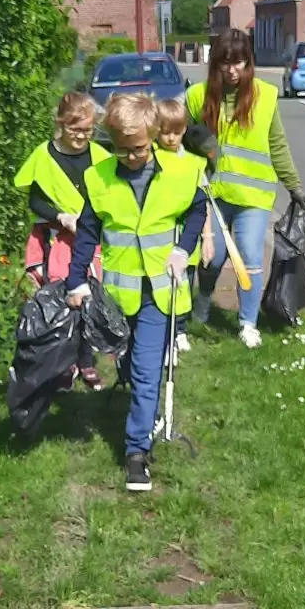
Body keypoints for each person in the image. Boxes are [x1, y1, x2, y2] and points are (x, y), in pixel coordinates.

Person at [66, 92, 206, 492]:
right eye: (123, 150)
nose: (131, 158)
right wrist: (76, 280)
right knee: (125, 365)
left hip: (159, 293)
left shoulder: (181, 173)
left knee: (147, 373)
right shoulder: (99, 178)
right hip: (119, 295)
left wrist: (184, 249)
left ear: (156, 135)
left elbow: (197, 210)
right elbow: (88, 233)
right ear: (111, 141)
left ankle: (136, 453)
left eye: (139, 149)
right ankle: (139, 413)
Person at [185, 30, 305, 348]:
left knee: (251, 257)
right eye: (225, 63)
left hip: (253, 197)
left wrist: (294, 185)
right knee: (211, 262)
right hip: (212, 195)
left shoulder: (264, 96)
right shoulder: (198, 97)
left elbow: (277, 144)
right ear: (216, 64)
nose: (232, 70)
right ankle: (202, 300)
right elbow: (178, 139)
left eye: (238, 62)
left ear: (248, 62)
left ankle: (248, 323)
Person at [14, 91, 106, 391]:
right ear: (60, 123)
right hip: (57, 241)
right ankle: (64, 363)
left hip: (91, 240)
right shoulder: (44, 156)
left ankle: (87, 359)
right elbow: (36, 202)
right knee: (65, 299)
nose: (81, 136)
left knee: (89, 297)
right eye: (74, 129)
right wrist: (62, 217)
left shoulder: (100, 157)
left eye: (87, 130)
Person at [156, 98, 215, 353]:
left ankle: (179, 330)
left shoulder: (194, 163)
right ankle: (164, 329)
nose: (170, 138)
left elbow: (204, 204)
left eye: (176, 133)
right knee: (163, 284)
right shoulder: (151, 158)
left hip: (187, 234)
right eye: (164, 132)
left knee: (184, 284)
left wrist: (208, 237)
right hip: (160, 234)